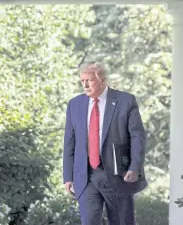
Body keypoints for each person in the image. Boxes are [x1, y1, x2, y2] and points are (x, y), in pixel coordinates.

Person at [63, 61, 148, 225]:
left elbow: (137, 136)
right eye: (82, 81)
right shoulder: (75, 105)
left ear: (102, 80)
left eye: (89, 80)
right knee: (89, 221)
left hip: (118, 176)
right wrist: (68, 176)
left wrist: (134, 167)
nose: (85, 85)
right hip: (86, 177)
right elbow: (69, 143)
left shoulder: (125, 101)